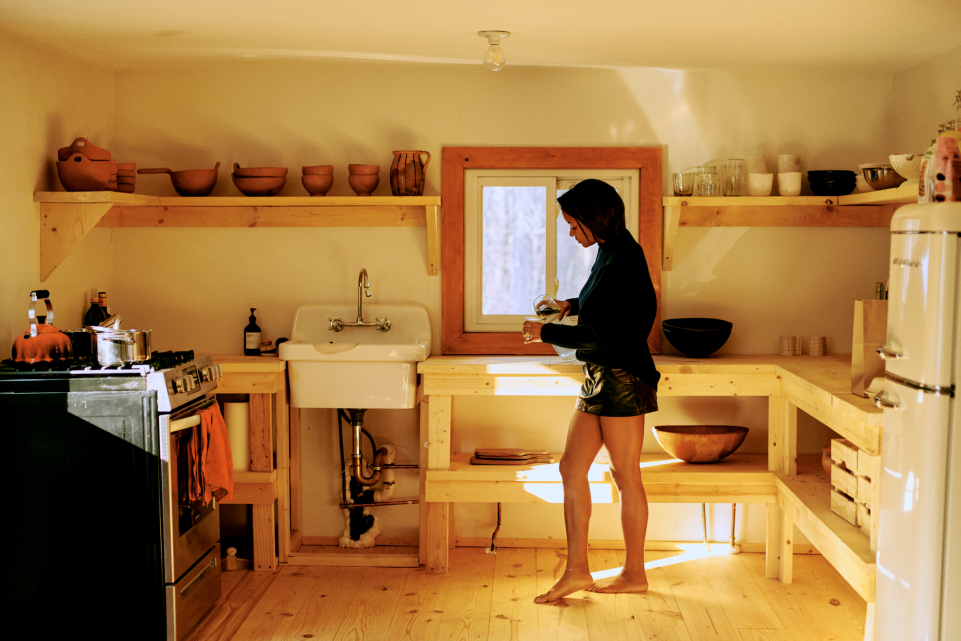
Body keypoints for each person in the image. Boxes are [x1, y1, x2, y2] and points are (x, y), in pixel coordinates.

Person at [522, 179, 660, 603]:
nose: (569, 232)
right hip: (602, 375)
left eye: (571, 223)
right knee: (570, 467)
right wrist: (571, 305)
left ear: (592, 219)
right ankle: (577, 571)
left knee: (625, 476)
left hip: (621, 378)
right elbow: (608, 306)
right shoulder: (611, 251)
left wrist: (545, 330)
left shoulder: (624, 260)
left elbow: (602, 336)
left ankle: (634, 573)